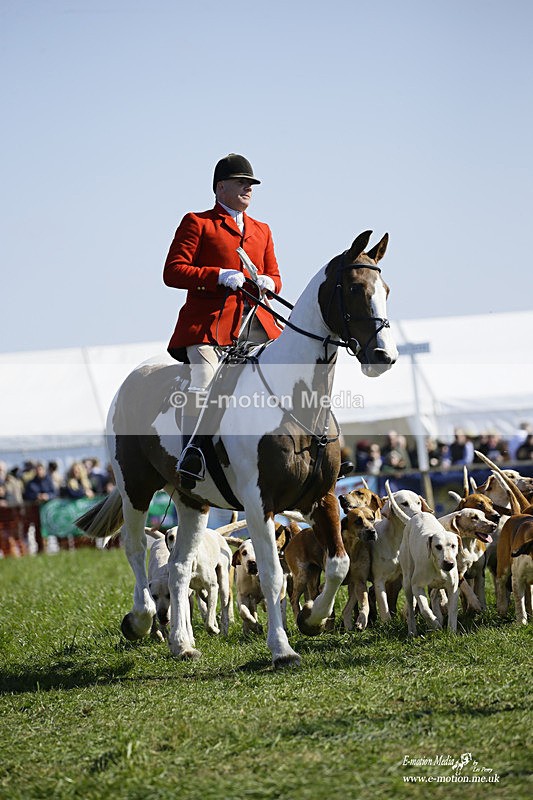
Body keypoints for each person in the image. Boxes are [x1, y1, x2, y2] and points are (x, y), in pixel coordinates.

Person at [163, 153, 283, 482]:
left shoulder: (262, 230)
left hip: (257, 323)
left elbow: (275, 275)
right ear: (220, 188)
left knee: (295, 370)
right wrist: (216, 275)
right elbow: (173, 272)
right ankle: (193, 452)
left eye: (251, 184)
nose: (248, 188)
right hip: (209, 326)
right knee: (204, 380)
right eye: (241, 183)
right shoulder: (197, 222)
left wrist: (270, 283)